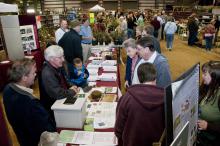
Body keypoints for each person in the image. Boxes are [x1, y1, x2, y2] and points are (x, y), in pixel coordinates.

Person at [3, 58, 56, 146]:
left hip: (23, 138)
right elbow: (47, 128)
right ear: (24, 77)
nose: (35, 75)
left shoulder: (8, 89)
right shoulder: (30, 102)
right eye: (33, 73)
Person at [115, 62, 165, 146]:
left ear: (139, 78)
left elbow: (118, 129)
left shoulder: (127, 98)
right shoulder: (167, 98)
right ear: (155, 78)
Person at [40, 45, 79, 116]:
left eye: (63, 56)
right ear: (51, 59)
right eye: (60, 57)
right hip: (54, 109)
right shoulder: (48, 73)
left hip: (61, 101)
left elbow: (65, 80)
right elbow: (58, 94)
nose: (63, 59)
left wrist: (72, 85)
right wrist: (72, 91)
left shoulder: (56, 66)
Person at [197, 61, 220, 146]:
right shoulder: (207, 86)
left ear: (215, 78)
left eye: (205, 74)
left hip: (212, 140)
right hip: (199, 135)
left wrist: (208, 126)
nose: (202, 76)